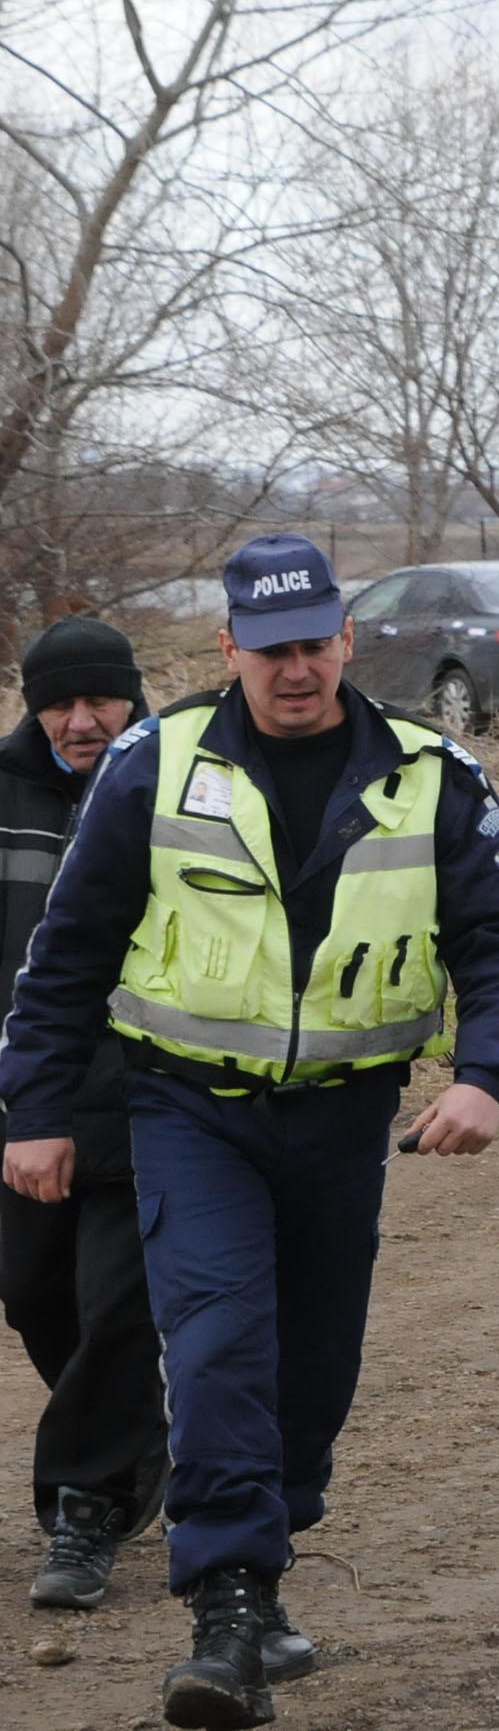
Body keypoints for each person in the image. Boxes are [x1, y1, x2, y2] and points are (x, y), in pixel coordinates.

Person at [0, 534, 499, 1731]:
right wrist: (37, 1112)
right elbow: (66, 954)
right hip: (188, 1108)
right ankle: (230, 1613)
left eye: (314, 644)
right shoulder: (156, 762)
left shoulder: (431, 772)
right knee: (215, 1343)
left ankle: (270, 1528)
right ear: (228, 649)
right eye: (269, 650)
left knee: (311, 1371)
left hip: (347, 1118)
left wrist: (486, 1078)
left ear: (347, 642)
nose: (294, 669)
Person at [0, 616, 168, 1613]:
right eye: (59, 701)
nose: (80, 719)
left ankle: (86, 1506)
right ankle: (144, 1434)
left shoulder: (175, 783)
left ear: (132, 694)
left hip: (146, 1094)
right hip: (28, 1095)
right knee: (31, 1291)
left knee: (117, 1304)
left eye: (99, 698)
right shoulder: (6, 790)